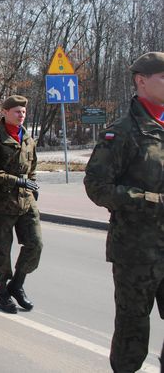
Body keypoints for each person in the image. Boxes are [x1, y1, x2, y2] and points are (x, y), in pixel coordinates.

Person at [84, 51, 164, 373]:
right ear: (141, 81)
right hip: (137, 251)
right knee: (133, 332)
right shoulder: (124, 131)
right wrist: (150, 200)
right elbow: (96, 185)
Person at [0, 95, 42, 314]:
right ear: (4, 112)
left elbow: (32, 167)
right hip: (1, 202)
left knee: (35, 244)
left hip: (26, 200)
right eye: (16, 112)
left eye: (22, 112)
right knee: (3, 250)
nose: (20, 115)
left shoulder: (28, 139)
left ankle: (17, 285)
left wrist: (32, 184)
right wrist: (15, 180)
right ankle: (2, 292)